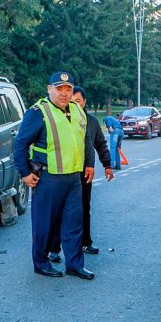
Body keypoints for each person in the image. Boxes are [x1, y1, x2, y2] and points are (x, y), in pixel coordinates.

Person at [12, 71, 96, 280]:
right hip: (48, 178)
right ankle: (41, 263)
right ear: (49, 89)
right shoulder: (38, 112)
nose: (64, 94)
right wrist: (24, 173)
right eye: (59, 89)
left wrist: (88, 164)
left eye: (68, 89)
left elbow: (84, 140)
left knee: (73, 223)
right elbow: (20, 144)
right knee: (44, 223)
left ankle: (75, 264)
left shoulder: (77, 110)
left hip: (73, 179)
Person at [49, 86, 113, 262]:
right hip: (63, 173)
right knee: (58, 210)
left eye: (77, 101)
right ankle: (53, 248)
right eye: (71, 101)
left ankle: (85, 242)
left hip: (85, 173)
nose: (73, 104)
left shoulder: (90, 122)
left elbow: (100, 144)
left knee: (84, 208)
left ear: (84, 102)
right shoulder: (59, 119)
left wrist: (107, 164)